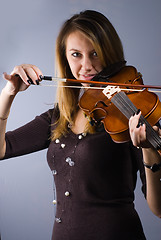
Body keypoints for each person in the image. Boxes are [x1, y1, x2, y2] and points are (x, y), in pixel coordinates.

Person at [0, 10, 161, 240]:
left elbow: (159, 209)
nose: (87, 65)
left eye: (95, 53)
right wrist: (9, 93)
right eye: (76, 54)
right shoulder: (58, 117)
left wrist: (149, 149)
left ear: (110, 54)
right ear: (65, 58)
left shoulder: (128, 116)